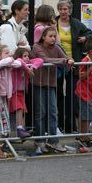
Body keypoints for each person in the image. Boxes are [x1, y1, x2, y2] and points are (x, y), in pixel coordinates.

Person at [31, 26, 74, 155]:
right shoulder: (36, 47)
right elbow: (45, 59)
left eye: (54, 36)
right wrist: (64, 61)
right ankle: (40, 140)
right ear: (43, 36)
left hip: (51, 84)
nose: (53, 39)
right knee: (41, 112)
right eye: (50, 36)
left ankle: (53, 141)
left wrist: (69, 60)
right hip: (38, 83)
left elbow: (65, 57)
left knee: (53, 112)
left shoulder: (56, 48)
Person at [56, 0, 92, 134]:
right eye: (61, 9)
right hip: (58, 63)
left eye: (65, 9)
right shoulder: (54, 22)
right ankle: (59, 125)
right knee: (58, 94)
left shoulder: (76, 23)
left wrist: (85, 38)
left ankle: (71, 126)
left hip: (74, 63)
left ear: (70, 10)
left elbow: (90, 33)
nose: (63, 11)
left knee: (72, 95)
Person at [75, 36, 92, 153]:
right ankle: (83, 136)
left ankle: (84, 135)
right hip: (83, 92)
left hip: (91, 92)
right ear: (91, 51)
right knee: (85, 115)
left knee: (88, 115)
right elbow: (81, 76)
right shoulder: (85, 61)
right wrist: (89, 70)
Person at [10, 46, 40, 139]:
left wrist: (32, 67)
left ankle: (21, 129)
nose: (27, 58)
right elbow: (18, 61)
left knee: (22, 110)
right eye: (25, 56)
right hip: (14, 92)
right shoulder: (17, 63)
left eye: (28, 56)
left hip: (21, 92)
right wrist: (27, 69)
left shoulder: (27, 64)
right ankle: (19, 129)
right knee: (19, 109)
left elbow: (40, 60)